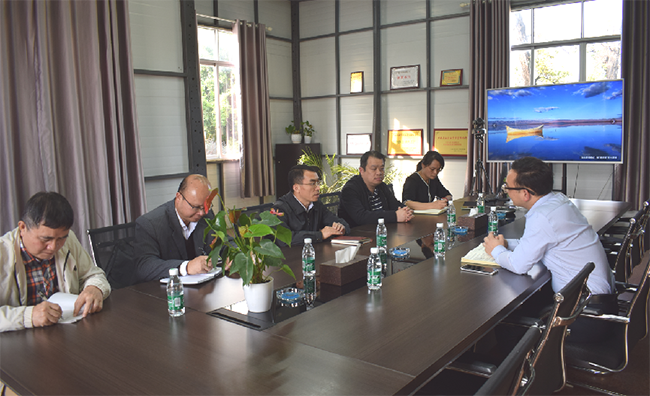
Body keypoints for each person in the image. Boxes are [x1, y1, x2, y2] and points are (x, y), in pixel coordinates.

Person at [483, 156, 615, 342]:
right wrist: (505, 245)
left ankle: (519, 367)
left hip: (583, 316)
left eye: (508, 188)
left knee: (507, 324)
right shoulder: (558, 201)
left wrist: (495, 251)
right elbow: (539, 244)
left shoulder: (541, 217)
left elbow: (519, 265)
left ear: (525, 194)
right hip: (598, 303)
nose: (506, 192)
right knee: (529, 303)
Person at [0, 192, 111, 332]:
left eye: (60, 239)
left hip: (67, 333)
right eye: (45, 239)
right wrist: (28, 316)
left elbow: (93, 274)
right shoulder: (3, 253)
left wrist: (95, 288)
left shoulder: (68, 239)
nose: (53, 247)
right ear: (22, 228)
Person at [134, 174, 214, 283]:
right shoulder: (150, 224)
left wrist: (232, 256)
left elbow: (223, 242)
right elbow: (144, 267)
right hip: (165, 293)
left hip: (203, 288)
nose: (202, 213)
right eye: (195, 207)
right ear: (179, 198)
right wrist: (186, 267)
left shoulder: (206, 215)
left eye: (206, 207)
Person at [272, 165, 350, 246]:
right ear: (296, 188)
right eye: (312, 183)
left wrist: (341, 228)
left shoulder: (316, 204)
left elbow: (339, 222)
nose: (318, 187)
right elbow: (284, 239)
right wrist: (320, 235)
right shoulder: (280, 208)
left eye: (318, 183)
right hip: (291, 257)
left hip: (314, 253)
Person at [339, 150, 413, 228]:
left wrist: (406, 212)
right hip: (358, 234)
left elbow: (395, 205)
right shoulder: (350, 190)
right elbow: (361, 217)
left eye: (381, 168)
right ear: (361, 170)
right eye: (374, 169)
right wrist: (395, 216)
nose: (379, 173)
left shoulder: (381, 186)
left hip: (382, 231)